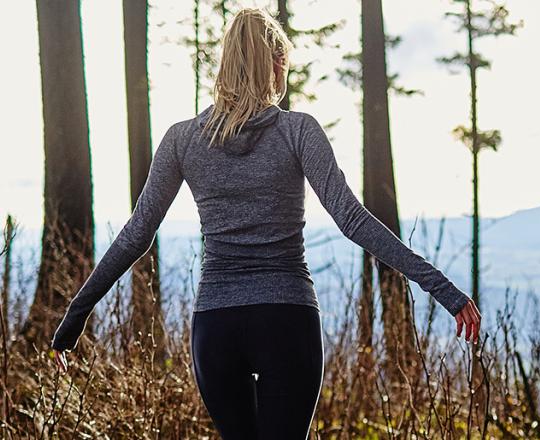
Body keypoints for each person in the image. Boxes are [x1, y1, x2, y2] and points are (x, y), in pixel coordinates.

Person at [50, 7, 481, 440]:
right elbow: (351, 219)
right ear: (275, 63)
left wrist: (74, 317)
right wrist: (442, 289)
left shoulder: (182, 138)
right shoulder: (298, 131)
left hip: (216, 326)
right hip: (286, 318)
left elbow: (136, 233)